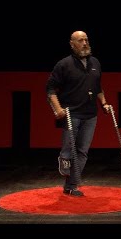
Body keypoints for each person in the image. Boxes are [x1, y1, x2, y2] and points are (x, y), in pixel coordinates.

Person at [46, 30, 111, 197]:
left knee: (82, 151)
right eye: (81, 40)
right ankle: (64, 157)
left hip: (90, 115)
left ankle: (71, 186)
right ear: (72, 44)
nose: (85, 43)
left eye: (86, 40)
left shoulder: (95, 62)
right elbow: (50, 89)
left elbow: (98, 87)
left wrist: (104, 103)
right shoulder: (64, 64)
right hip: (71, 113)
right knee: (69, 149)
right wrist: (58, 109)